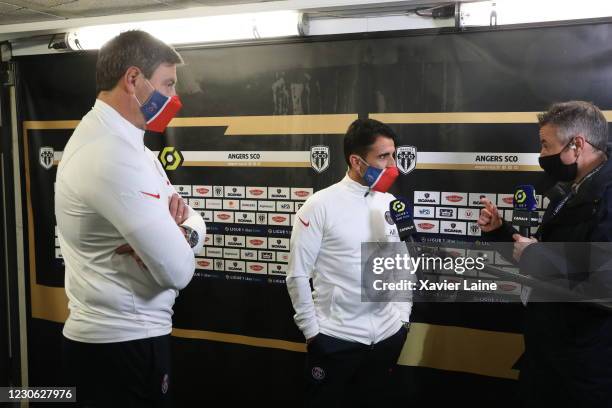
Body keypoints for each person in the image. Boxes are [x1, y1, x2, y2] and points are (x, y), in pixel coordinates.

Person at [55, 30, 205, 407]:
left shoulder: (129, 146)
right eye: (168, 85)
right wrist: (179, 238)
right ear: (133, 79)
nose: (175, 99)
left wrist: (181, 233)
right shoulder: (108, 153)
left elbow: (194, 221)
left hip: (130, 340)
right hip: (119, 347)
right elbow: (177, 271)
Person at [478, 100, 612, 407]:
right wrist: (501, 231)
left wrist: (539, 257)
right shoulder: (568, 190)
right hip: (548, 355)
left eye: (545, 145)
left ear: (577, 145)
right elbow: (541, 255)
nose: (541, 155)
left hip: (583, 369)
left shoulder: (606, 197)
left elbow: (605, 282)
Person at [286, 118, 411, 408]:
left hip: (387, 338)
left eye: (393, 154)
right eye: (383, 157)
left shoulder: (390, 203)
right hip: (335, 340)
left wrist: (402, 318)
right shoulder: (320, 205)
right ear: (357, 161)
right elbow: (297, 275)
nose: (393, 165)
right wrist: (313, 334)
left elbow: (403, 265)